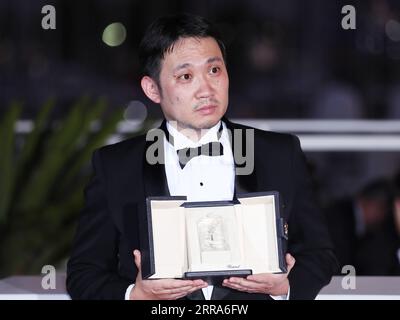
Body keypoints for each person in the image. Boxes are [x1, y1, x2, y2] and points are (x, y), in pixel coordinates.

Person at [66, 13, 337, 300]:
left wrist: (285, 287)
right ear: (152, 89)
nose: (206, 90)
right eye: (185, 76)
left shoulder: (279, 153)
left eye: (214, 71)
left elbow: (320, 254)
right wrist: (136, 295)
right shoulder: (116, 165)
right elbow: (84, 274)